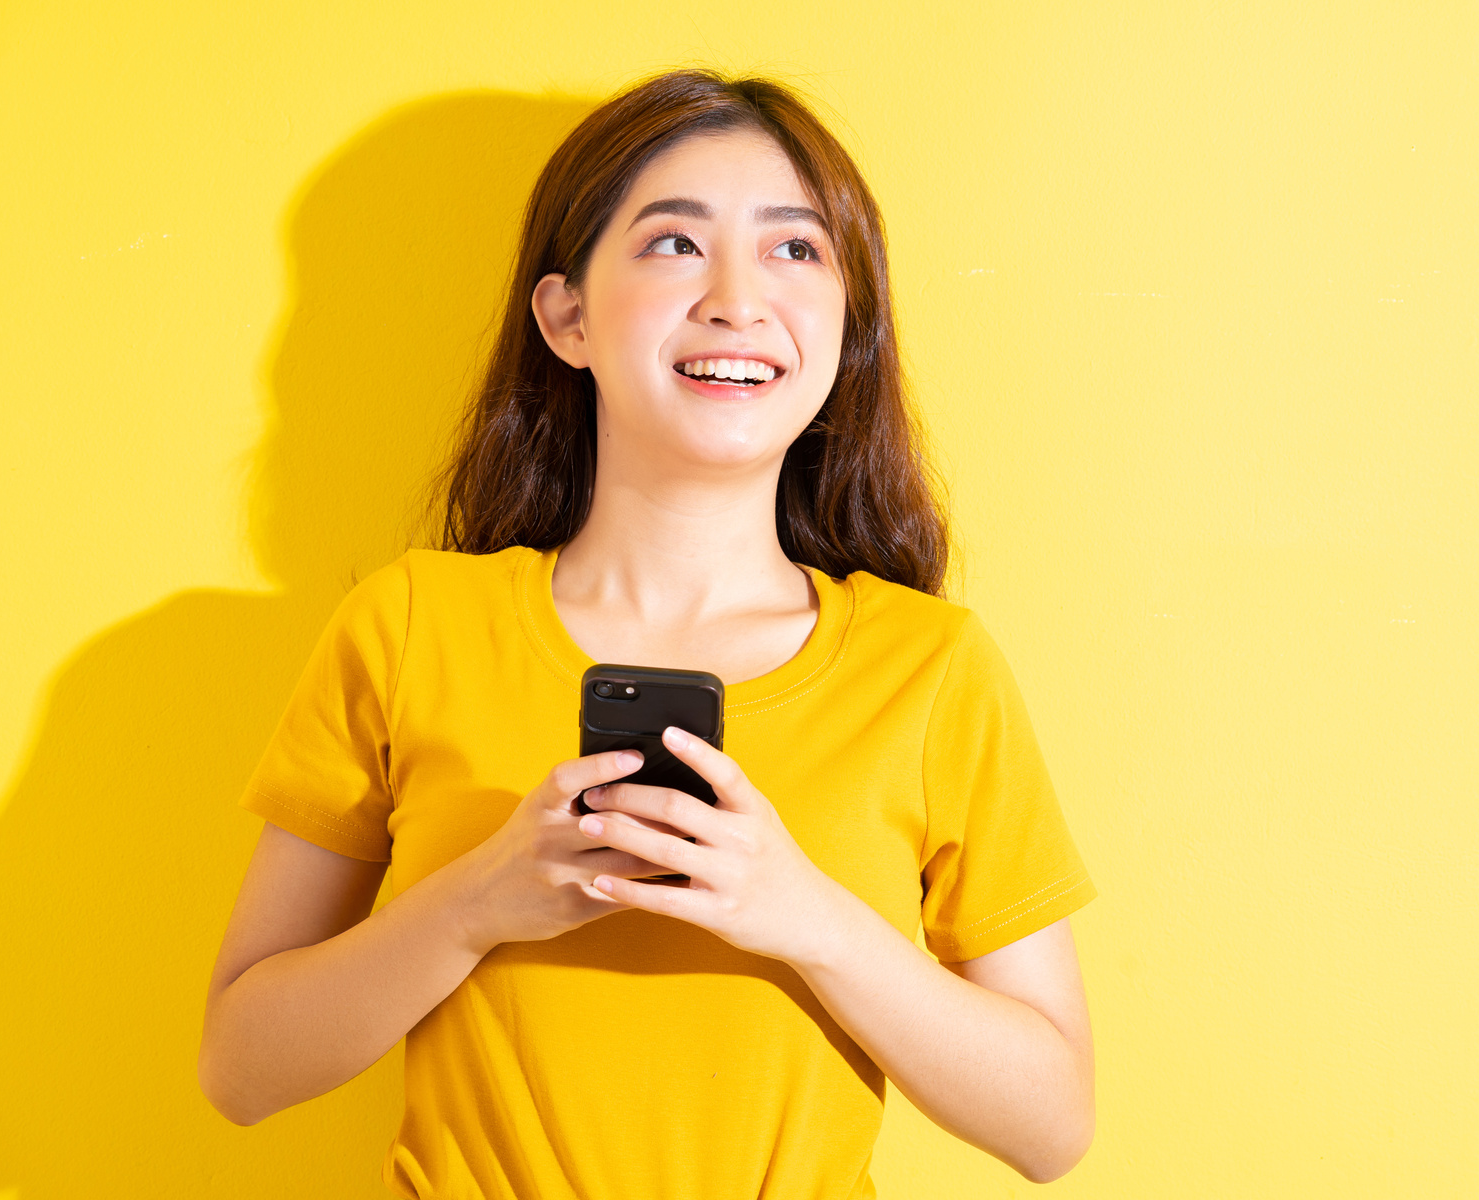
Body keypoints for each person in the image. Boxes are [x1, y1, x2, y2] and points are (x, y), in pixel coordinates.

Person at [198, 69, 1097, 1200]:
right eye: (675, 245)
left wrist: (804, 915)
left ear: (847, 324)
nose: (736, 298)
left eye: (797, 250)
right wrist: (480, 902)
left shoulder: (931, 669)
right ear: (566, 317)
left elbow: (1052, 1126)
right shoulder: (410, 623)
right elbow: (240, 1067)